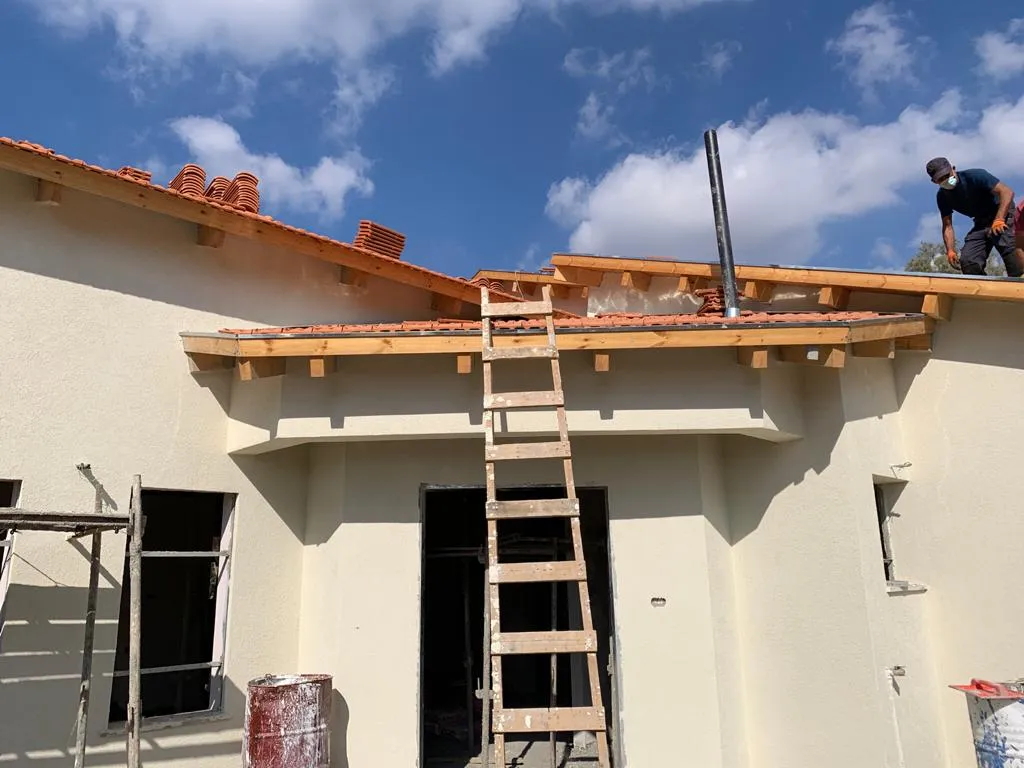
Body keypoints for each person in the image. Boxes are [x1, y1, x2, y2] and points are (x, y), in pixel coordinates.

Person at [925, 157, 1021, 277]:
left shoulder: (975, 176)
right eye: (941, 179)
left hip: (1001, 212)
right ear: (934, 182)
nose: (946, 180)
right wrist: (950, 250)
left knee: (1009, 248)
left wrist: (999, 219)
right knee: (969, 261)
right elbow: (947, 225)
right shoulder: (942, 197)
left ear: (953, 169)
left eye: (947, 175)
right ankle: (983, 287)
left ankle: (1019, 280)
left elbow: (1007, 192)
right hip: (981, 222)